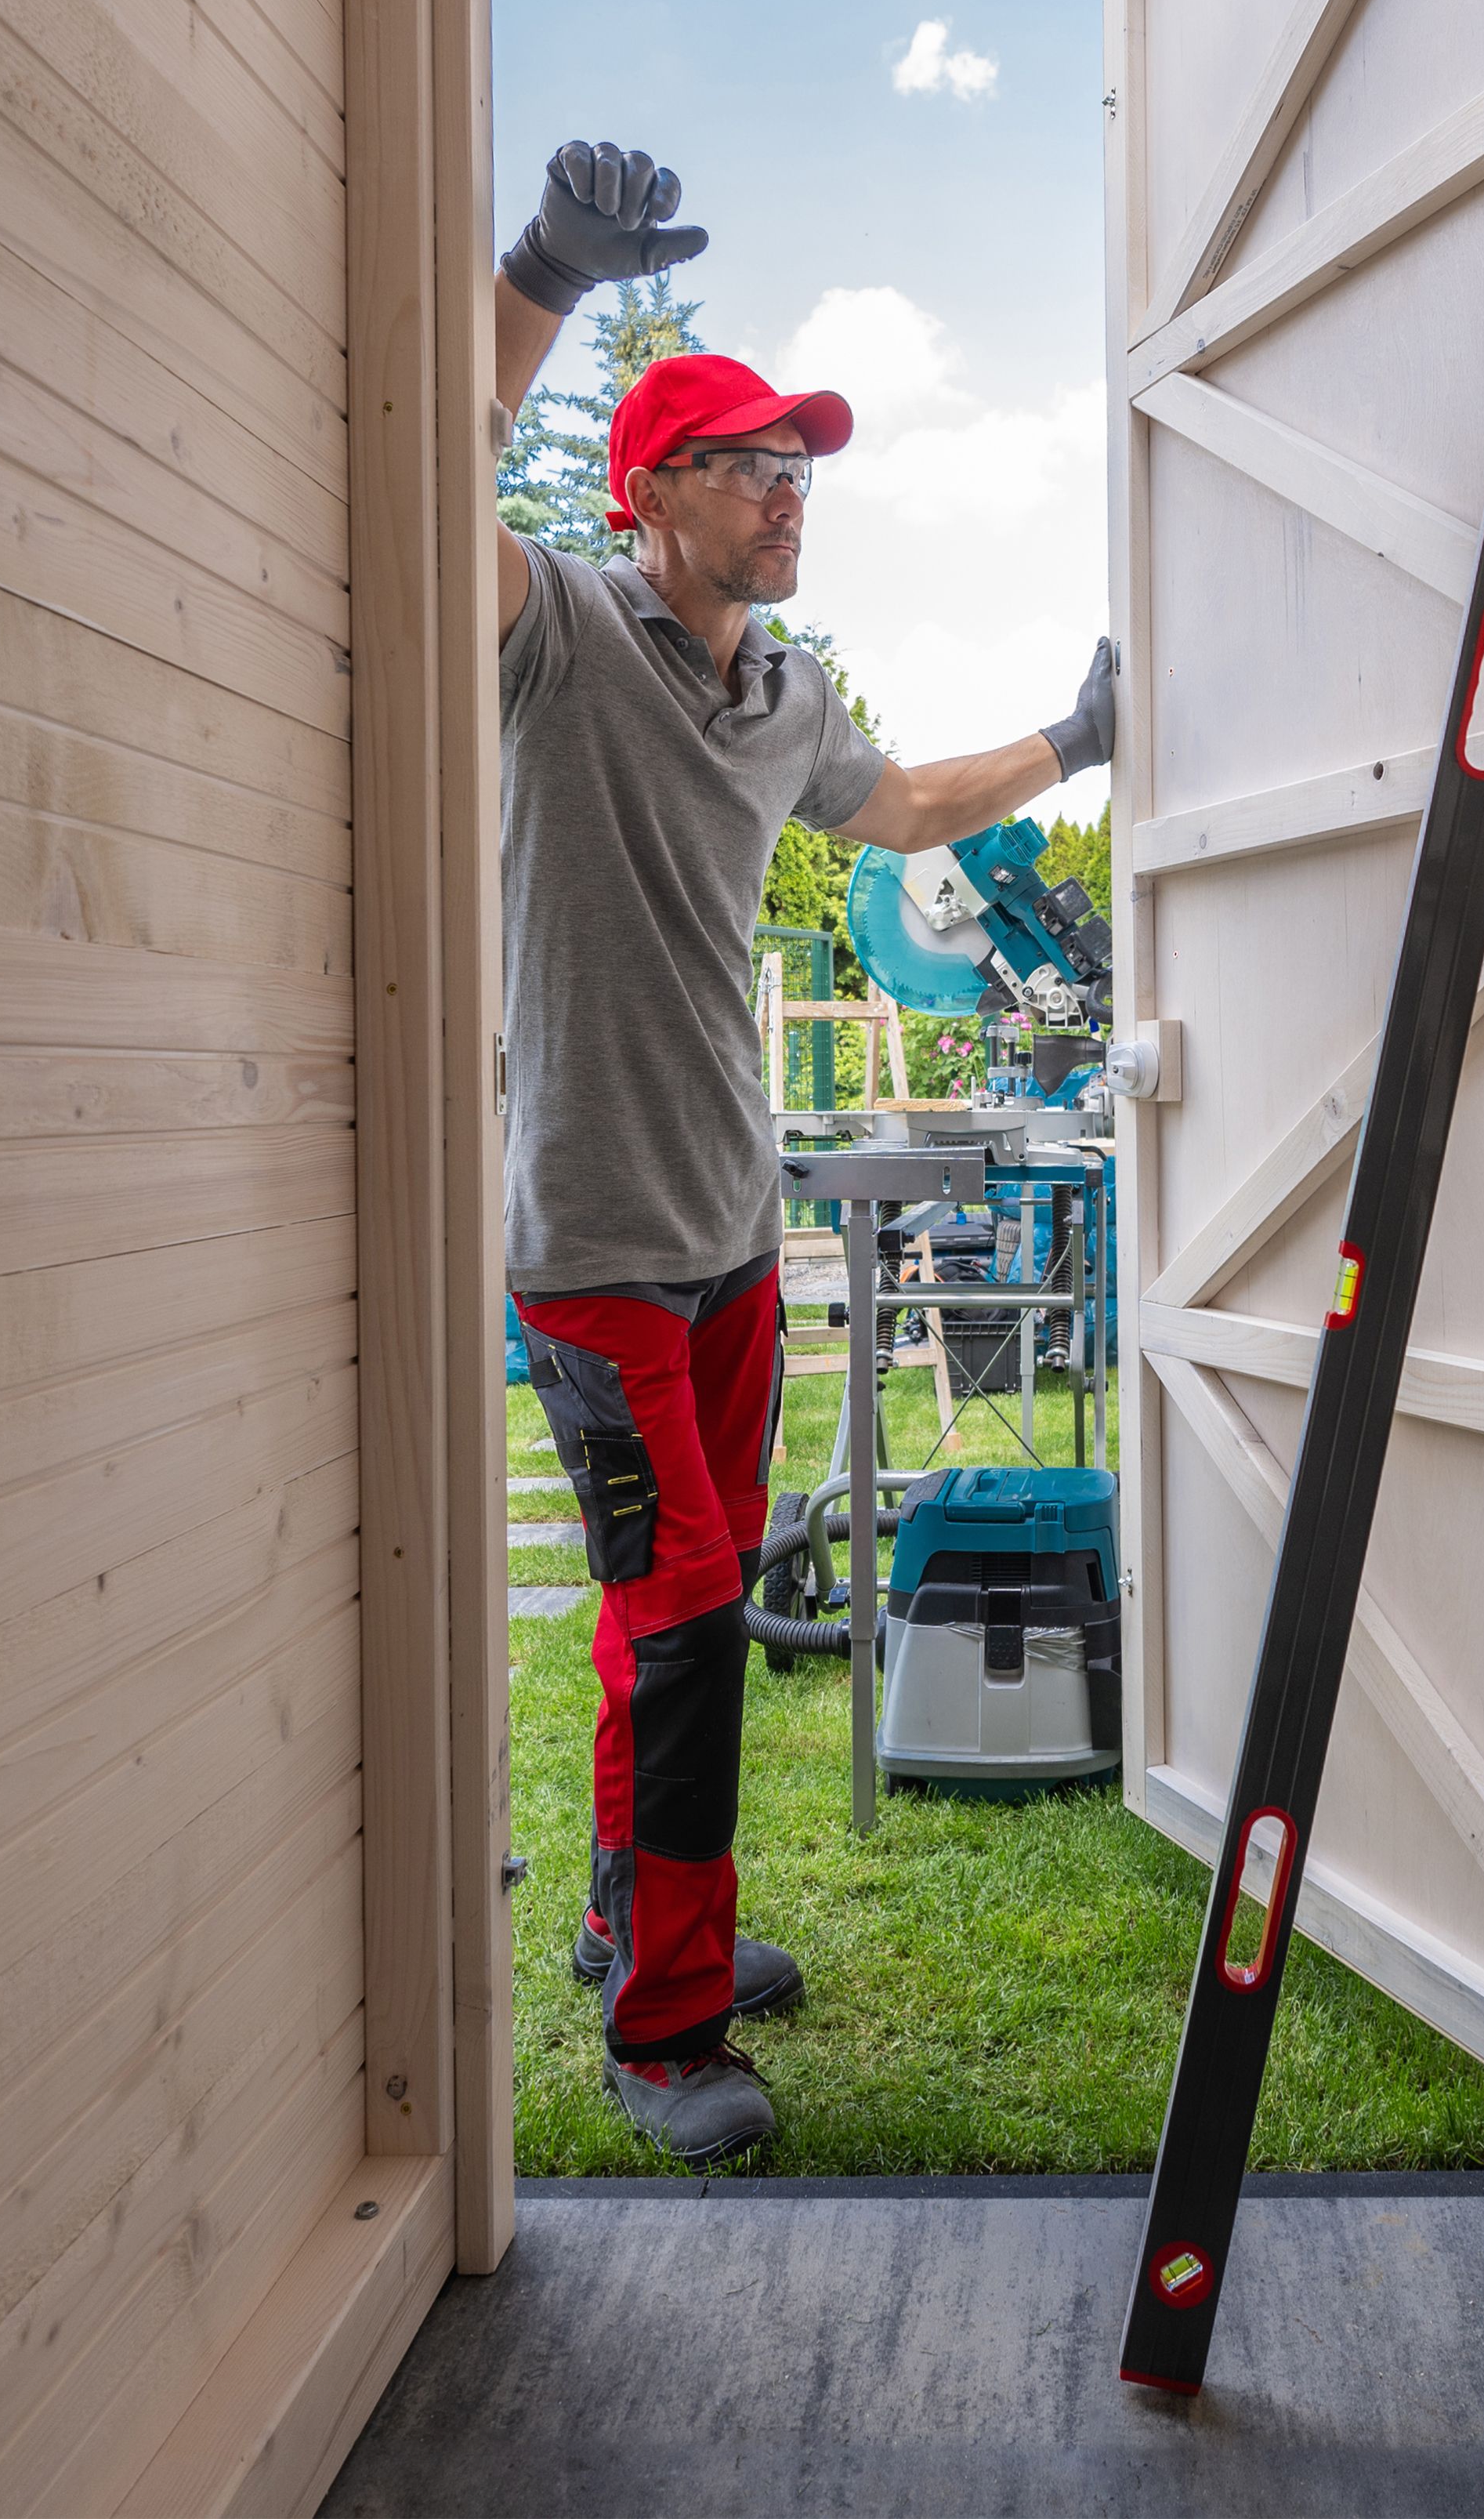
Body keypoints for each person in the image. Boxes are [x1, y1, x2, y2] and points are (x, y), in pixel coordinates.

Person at [491, 139, 1114, 2164]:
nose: (792, 493)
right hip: (590, 1240)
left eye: (804, 467)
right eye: (755, 462)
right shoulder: (559, 640)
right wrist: (542, 281)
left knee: (669, 1604)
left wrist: (1078, 740)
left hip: (734, 1236)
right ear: (650, 493)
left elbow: (912, 801)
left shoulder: (790, 695)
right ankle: (664, 2031)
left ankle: (628, 1913)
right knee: (681, 1626)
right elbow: (406, 475)